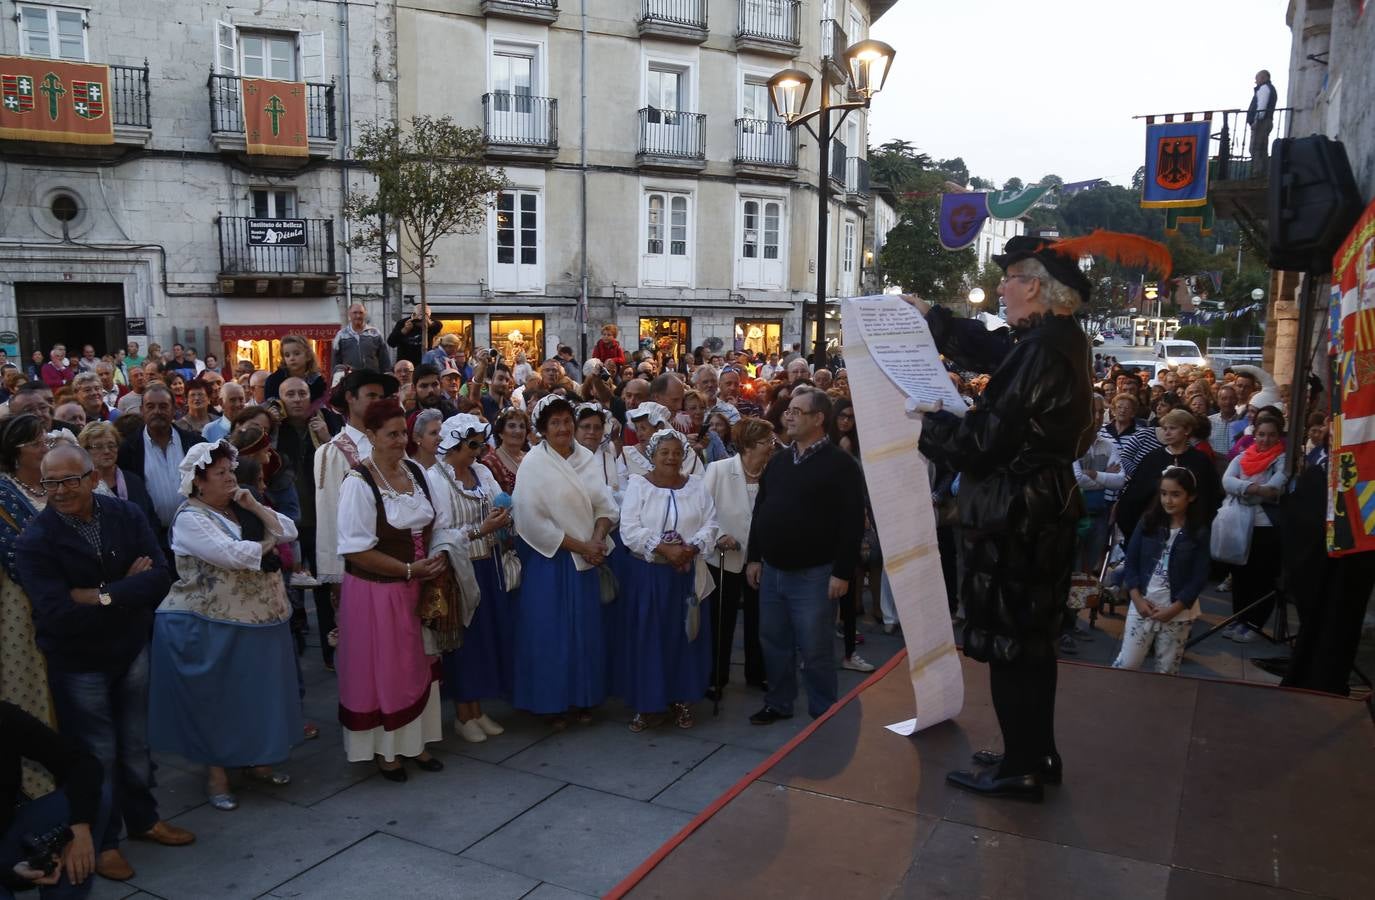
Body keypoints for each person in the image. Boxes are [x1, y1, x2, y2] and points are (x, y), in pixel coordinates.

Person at [912, 232, 1147, 801]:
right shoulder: (1054, 340)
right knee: (1032, 642)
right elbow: (992, 352)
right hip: (1039, 507)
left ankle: (1020, 766)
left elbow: (986, 442)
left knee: (1013, 644)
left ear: (1035, 286)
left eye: (1010, 278)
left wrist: (931, 419)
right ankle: (1036, 752)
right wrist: (931, 317)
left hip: (1017, 514)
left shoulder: (1043, 349)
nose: (1001, 287)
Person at [17, 444, 191, 882]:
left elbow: (160, 577)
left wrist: (99, 594)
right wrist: (123, 589)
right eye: (50, 482)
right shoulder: (34, 541)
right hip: (78, 664)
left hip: (130, 648)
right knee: (97, 754)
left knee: (134, 745)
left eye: (69, 480)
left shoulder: (126, 516)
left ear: (93, 478)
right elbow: (56, 612)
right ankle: (104, 842)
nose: (58, 491)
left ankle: (145, 819)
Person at [148, 441, 300, 810]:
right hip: (213, 622)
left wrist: (255, 506)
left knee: (258, 696)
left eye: (230, 472)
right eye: (220, 474)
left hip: (262, 619)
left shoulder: (239, 508)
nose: (231, 479)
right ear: (199, 483)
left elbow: (290, 531)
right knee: (219, 701)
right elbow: (233, 555)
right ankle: (217, 775)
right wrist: (268, 541)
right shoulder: (189, 518)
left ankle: (258, 761)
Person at [336, 399, 447, 779]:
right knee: (387, 668)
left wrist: (440, 556)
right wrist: (406, 569)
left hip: (417, 584)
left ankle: (415, 743)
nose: (401, 441)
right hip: (377, 592)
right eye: (392, 434)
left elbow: (439, 522)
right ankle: (386, 751)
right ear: (370, 436)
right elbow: (355, 549)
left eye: (403, 432)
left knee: (418, 664)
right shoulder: (358, 482)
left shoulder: (415, 470)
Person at [746, 387, 865, 725]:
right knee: (774, 642)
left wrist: (842, 572)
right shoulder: (780, 460)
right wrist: (755, 557)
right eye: (789, 410)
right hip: (772, 570)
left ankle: (823, 710)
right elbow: (761, 511)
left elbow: (852, 522)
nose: (789, 415)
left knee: (815, 649)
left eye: (798, 411)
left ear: (818, 419)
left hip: (815, 574)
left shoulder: (840, 465)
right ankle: (780, 702)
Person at [511, 395, 618, 727]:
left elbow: (605, 505)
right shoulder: (533, 464)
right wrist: (579, 545)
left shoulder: (587, 458)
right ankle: (550, 703)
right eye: (554, 422)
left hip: (587, 560)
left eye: (566, 421)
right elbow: (531, 521)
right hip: (551, 561)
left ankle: (582, 698)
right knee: (550, 635)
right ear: (543, 428)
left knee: (585, 634)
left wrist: (598, 539)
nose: (563, 427)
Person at [616, 430, 717, 732]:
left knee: (686, 636)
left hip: (686, 575)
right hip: (650, 576)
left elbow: (711, 522)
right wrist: (664, 548)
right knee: (650, 637)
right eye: (664, 453)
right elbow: (630, 528)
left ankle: (683, 700)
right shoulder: (639, 485)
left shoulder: (696, 486)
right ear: (653, 455)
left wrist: (690, 548)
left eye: (676, 452)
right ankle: (648, 705)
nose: (671, 458)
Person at [426, 415, 514, 743]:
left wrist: (504, 516)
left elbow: (497, 504)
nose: (478, 451)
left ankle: (476, 710)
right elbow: (439, 534)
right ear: (456, 444)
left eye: (479, 443)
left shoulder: (482, 472)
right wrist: (480, 529)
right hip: (459, 572)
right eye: (473, 444)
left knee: (484, 639)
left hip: (487, 566)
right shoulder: (436, 479)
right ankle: (463, 714)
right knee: (464, 643)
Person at [0, 416, 58, 801]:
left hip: (69, 604)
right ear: (19, 451)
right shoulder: (4, 494)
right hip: (19, 606)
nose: (46, 448)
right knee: (31, 690)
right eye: (39, 443)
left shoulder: (58, 484)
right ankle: (39, 790)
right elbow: (14, 554)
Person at [1113, 467, 1210, 674]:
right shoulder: (1148, 522)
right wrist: (1136, 597)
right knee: (1127, 664)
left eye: (1176, 494)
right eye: (1164, 494)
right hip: (1143, 604)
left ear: (1191, 497)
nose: (1168, 500)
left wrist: (1175, 608)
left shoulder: (1198, 531)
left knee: (1166, 670)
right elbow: (1131, 561)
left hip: (1178, 610)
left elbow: (1199, 576)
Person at [1, 703, 102, 899]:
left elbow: (81, 763)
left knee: (94, 796)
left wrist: (79, 826)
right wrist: (11, 873)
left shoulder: (5, 717)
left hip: (6, 835)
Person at [702, 417, 771, 698]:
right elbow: (703, 509)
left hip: (760, 560)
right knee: (721, 620)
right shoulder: (719, 470)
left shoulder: (773, 472)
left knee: (760, 619)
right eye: (767, 441)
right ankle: (716, 677)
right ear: (750, 445)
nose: (771, 446)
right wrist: (718, 535)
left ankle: (757, 673)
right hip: (723, 558)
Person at [314, 371, 395, 605]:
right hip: (358, 566)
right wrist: (337, 578)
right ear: (350, 397)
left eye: (382, 397)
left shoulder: (392, 443)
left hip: (398, 559)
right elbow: (329, 517)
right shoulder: (333, 452)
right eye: (371, 395)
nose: (378, 403)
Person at [115, 383, 204, 559]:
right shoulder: (128, 450)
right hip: (153, 540)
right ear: (142, 410)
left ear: (174, 409)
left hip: (196, 535)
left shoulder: (195, 444)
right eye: (150, 406)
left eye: (163, 406)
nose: (157, 411)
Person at [1220, 413, 1288, 642]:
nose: (1265, 440)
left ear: (1279, 437)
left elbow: (1275, 488)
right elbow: (1227, 481)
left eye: (1271, 435)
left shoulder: (1283, 460)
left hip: (1266, 527)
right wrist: (1255, 489)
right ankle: (1239, 618)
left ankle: (1255, 624)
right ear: (1254, 434)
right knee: (1240, 574)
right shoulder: (1242, 457)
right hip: (1240, 523)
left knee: (1262, 576)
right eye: (1261, 434)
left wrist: (1244, 489)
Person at [1115, 409, 1221, 545]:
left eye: (1173, 428)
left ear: (1187, 430)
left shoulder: (1200, 460)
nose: (1167, 432)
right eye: (1165, 428)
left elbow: (1209, 495)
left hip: (1189, 532)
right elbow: (1136, 493)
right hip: (1154, 530)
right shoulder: (1152, 458)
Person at [76, 423, 156, 527]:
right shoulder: (82, 485)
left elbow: (151, 518)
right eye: (98, 447)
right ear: (85, 450)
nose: (106, 451)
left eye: (111, 445)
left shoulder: (133, 481)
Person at [333, 302, 391, 373]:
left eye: (361, 313)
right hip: (350, 378)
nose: (358, 316)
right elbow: (336, 361)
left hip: (372, 378)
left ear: (365, 314)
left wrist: (387, 374)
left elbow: (384, 359)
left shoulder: (375, 333)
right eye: (355, 313)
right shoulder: (341, 335)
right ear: (349, 314)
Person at [483, 408, 529, 495]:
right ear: (500, 432)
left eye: (522, 426)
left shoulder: (531, 457)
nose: (518, 431)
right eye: (512, 426)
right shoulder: (490, 462)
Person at [264, 335, 323, 403]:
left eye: (296, 354)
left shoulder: (318, 381)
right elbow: (270, 405)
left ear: (308, 356)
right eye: (287, 355)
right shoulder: (273, 380)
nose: (292, 358)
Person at [1247, 69, 1277, 176]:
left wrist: (1256, 120)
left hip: (1262, 122)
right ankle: (1263, 171)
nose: (1256, 81)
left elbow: (1262, 106)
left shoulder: (1264, 88)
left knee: (1255, 147)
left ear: (1264, 78)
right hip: (1266, 121)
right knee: (1262, 148)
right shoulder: (1269, 88)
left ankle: (1258, 173)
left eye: (1257, 78)